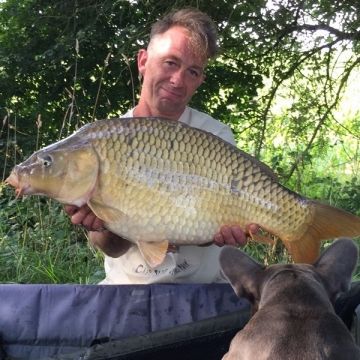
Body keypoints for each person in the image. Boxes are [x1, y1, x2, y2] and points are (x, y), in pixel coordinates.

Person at [65, 8, 259, 284]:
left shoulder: (214, 135)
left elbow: (210, 229)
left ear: (200, 81)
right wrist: (100, 223)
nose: (178, 80)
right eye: (170, 63)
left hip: (200, 289)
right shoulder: (104, 141)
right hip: (127, 288)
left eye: (192, 71)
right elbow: (113, 248)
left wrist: (225, 230)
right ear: (143, 61)